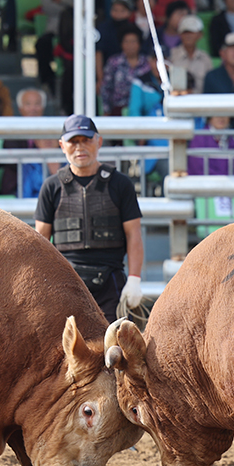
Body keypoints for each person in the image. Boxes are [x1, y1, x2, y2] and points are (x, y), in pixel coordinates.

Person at [34, 114, 143, 322]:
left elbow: (133, 234)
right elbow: (40, 239)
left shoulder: (120, 184)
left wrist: (134, 279)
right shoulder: (51, 186)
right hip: (65, 280)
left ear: (99, 141)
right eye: (73, 141)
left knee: (114, 348)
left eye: (86, 140)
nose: (80, 147)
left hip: (111, 280)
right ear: (62, 145)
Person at [101, 26, 157, 117]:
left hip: (144, 111)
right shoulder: (114, 62)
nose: (130, 45)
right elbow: (106, 88)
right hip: (118, 110)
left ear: (139, 44)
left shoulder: (147, 63)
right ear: (121, 44)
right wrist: (106, 111)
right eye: (126, 42)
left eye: (133, 41)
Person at [168, 14, 212, 91]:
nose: (188, 36)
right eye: (185, 32)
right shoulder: (171, 55)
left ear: (200, 35)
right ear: (180, 34)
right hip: (178, 100)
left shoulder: (206, 59)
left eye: (192, 32)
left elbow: (211, 84)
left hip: (201, 101)